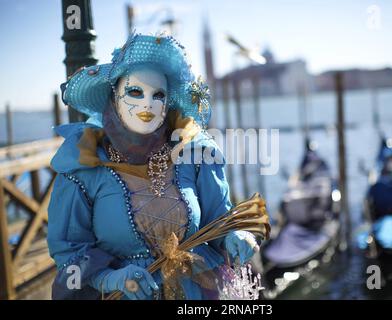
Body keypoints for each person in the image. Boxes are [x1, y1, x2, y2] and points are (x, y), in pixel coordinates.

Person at [47, 33, 258, 300]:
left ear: (168, 102)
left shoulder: (192, 154)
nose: (147, 103)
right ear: (114, 95)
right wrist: (109, 278)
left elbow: (218, 221)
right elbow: (68, 252)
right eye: (135, 92)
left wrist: (233, 237)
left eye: (158, 95)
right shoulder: (84, 164)